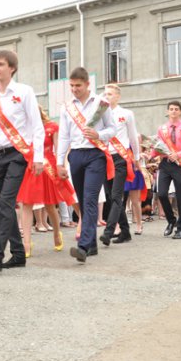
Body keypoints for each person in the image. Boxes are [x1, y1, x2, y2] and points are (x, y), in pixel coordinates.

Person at [0, 50, 44, 272]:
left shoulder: (24, 92)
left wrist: (39, 157)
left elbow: (37, 126)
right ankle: (17, 254)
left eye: (1, 64)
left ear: (12, 68)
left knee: (5, 203)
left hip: (18, 154)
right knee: (4, 204)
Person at [57, 67, 115, 262]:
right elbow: (64, 136)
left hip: (95, 155)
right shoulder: (66, 107)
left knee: (90, 198)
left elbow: (112, 128)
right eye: (71, 86)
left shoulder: (101, 103)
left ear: (87, 84)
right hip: (76, 156)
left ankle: (83, 246)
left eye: (78, 85)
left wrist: (99, 135)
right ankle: (92, 246)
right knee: (82, 201)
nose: (74, 89)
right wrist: (59, 162)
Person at [17, 105, 74, 255]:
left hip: (48, 166)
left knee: (50, 205)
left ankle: (56, 233)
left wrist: (61, 166)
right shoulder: (23, 129)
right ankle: (27, 243)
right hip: (30, 167)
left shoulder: (52, 127)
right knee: (27, 203)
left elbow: (59, 147)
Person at [150, 101, 181, 240]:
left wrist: (179, 154)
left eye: (176, 109)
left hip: (180, 164)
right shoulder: (162, 128)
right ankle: (171, 220)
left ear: (180, 112)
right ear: (167, 111)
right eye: (171, 109)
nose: (173, 111)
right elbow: (158, 146)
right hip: (165, 163)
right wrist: (151, 155)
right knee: (162, 193)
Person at [100, 84, 139, 245]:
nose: (106, 96)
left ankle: (108, 232)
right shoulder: (100, 113)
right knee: (110, 196)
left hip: (121, 157)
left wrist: (136, 157)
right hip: (105, 157)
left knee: (117, 196)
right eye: (105, 94)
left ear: (117, 96)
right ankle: (125, 231)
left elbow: (132, 136)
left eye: (110, 94)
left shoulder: (126, 114)